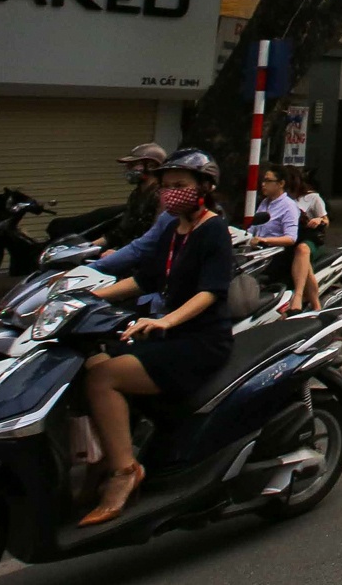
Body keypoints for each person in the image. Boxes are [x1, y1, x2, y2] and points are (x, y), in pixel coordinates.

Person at [79, 149, 235, 526]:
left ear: (205, 187)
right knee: (89, 357)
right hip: (168, 333)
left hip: (199, 341)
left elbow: (211, 291)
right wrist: (82, 296)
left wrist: (167, 321)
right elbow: (145, 279)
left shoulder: (213, 230)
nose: (170, 193)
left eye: (180, 186)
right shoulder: (172, 227)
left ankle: (125, 471)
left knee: (104, 378)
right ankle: (102, 455)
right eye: (166, 186)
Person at [104, 143, 167, 251]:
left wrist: (119, 254)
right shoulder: (136, 194)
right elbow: (122, 230)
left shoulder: (161, 196)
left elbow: (154, 237)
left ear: (151, 166)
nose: (129, 169)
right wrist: (89, 246)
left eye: (133, 164)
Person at [250, 169, 300, 299]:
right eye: (263, 180)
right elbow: (253, 228)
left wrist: (265, 240)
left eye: (268, 181)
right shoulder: (264, 203)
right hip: (258, 254)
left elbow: (290, 238)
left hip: (277, 256)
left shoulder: (289, 206)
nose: (263, 184)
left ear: (281, 183)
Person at [288, 169, 329, 314]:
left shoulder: (312, 198)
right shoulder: (275, 201)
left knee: (302, 250)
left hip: (308, 239)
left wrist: (318, 220)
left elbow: (325, 220)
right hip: (287, 240)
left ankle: (302, 297)